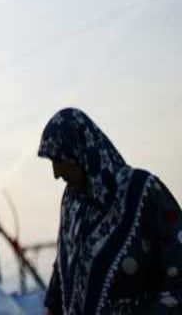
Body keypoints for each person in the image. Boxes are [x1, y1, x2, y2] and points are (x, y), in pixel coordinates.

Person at [38, 107, 182, 315]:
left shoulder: (142, 191)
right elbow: (63, 269)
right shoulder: (72, 204)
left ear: (81, 151)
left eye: (59, 160)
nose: (56, 173)